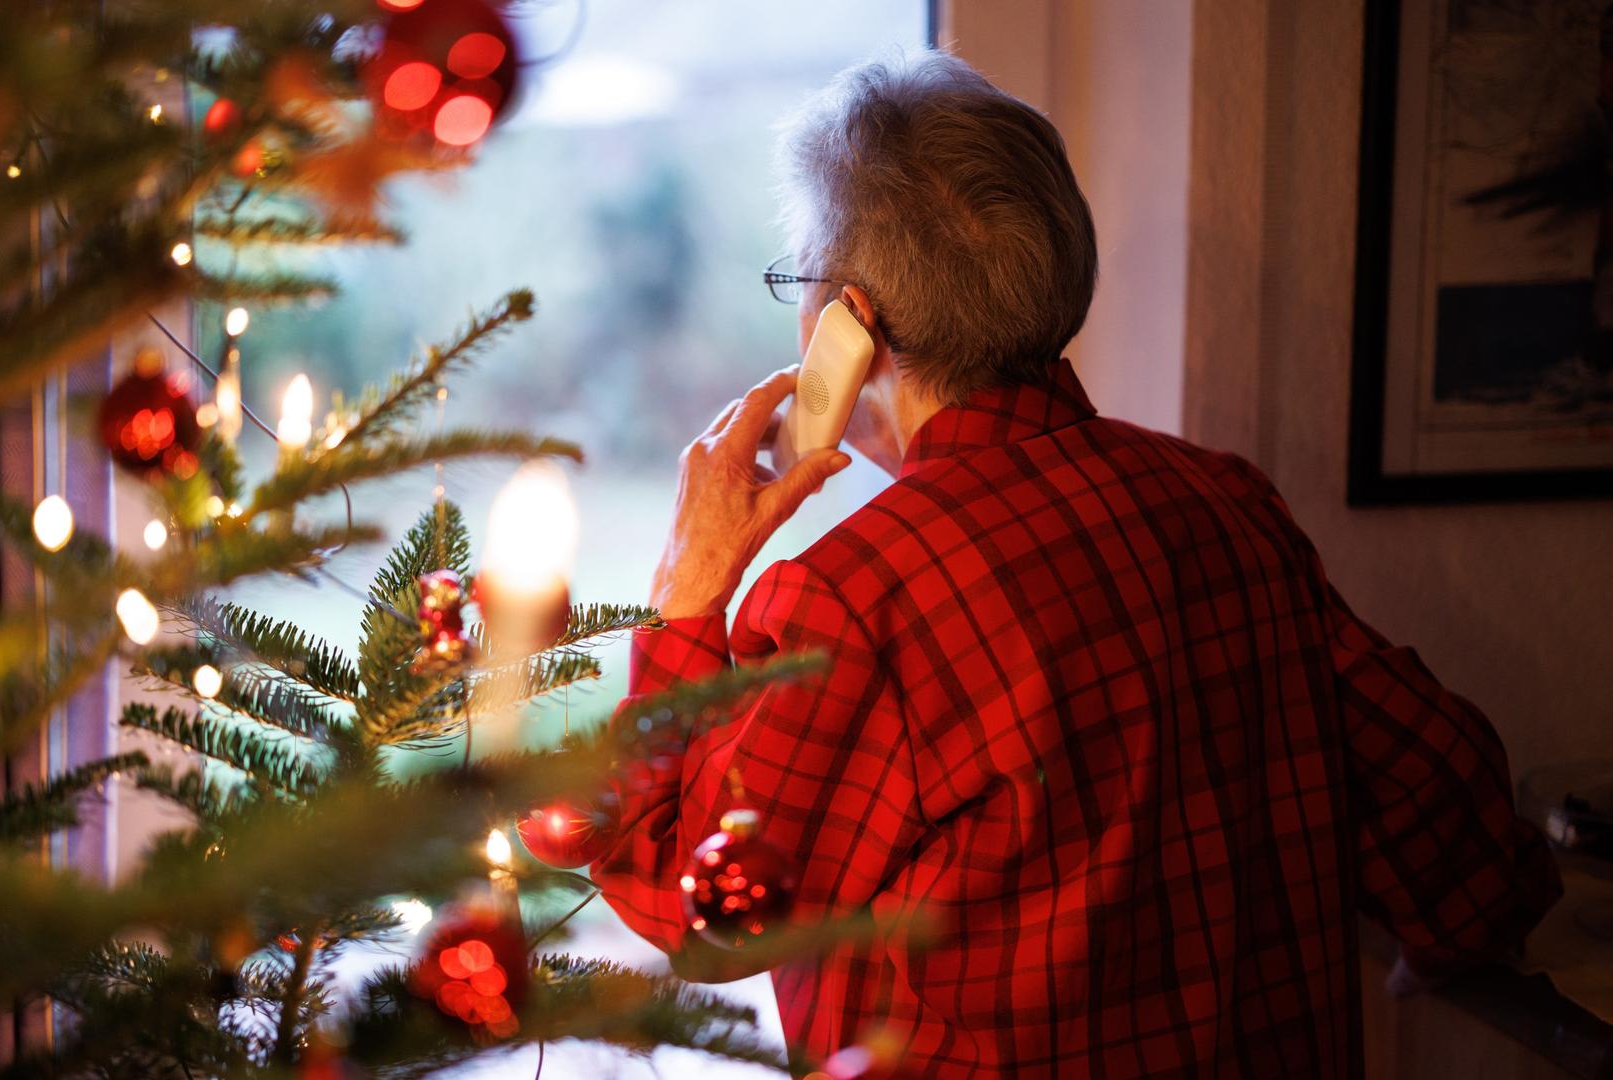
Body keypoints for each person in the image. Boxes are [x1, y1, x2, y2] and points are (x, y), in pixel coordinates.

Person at [587, 49, 1560, 1077]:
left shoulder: (858, 596)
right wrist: (1454, 943)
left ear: (850, 327)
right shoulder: (1228, 502)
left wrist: (686, 594)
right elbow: (1443, 799)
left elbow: (689, 901)